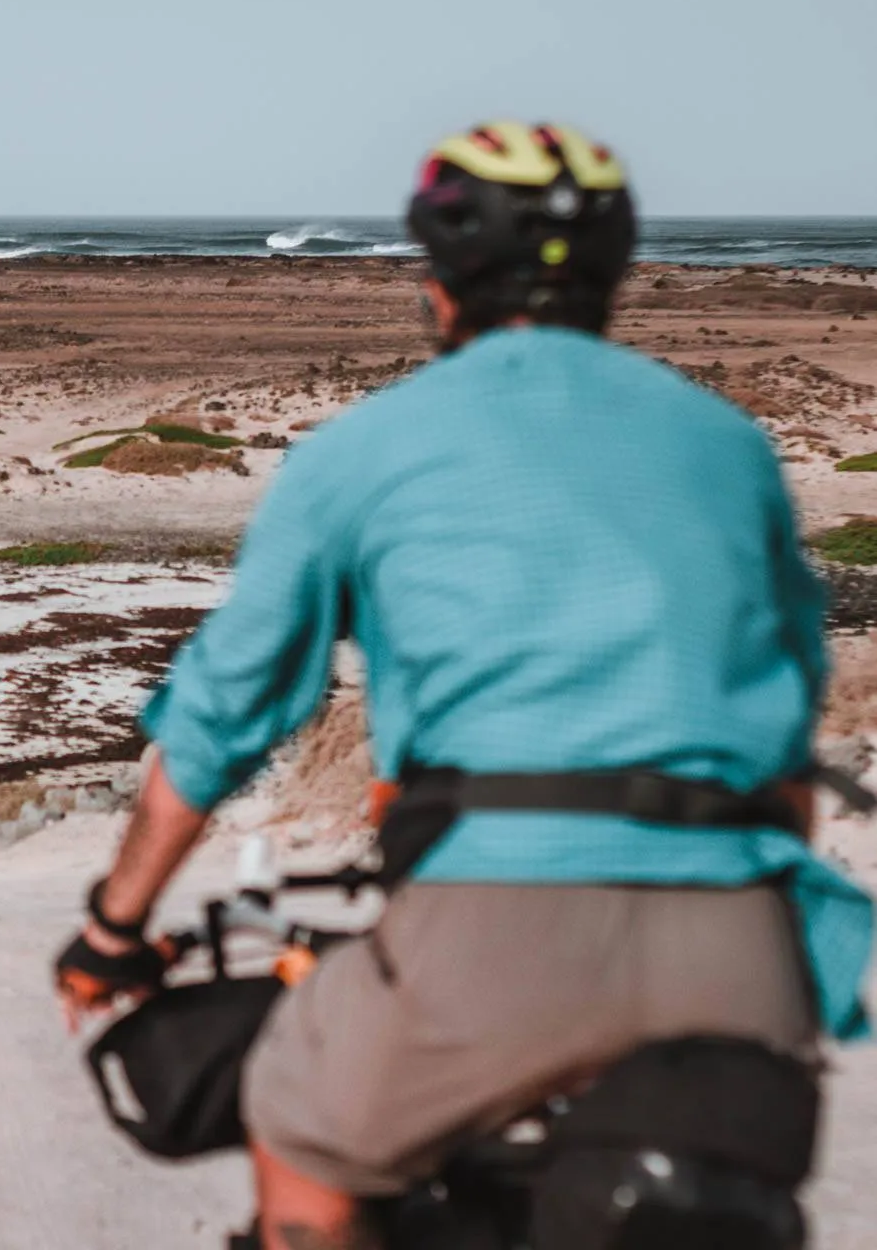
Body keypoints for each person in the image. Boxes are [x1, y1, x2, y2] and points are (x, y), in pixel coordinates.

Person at [55, 121, 874, 1250]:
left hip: (497, 927)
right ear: (613, 273)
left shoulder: (366, 448)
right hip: (735, 952)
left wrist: (113, 925)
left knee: (303, 1132)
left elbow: (225, 714)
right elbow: (786, 730)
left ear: (439, 280)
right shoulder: (726, 444)